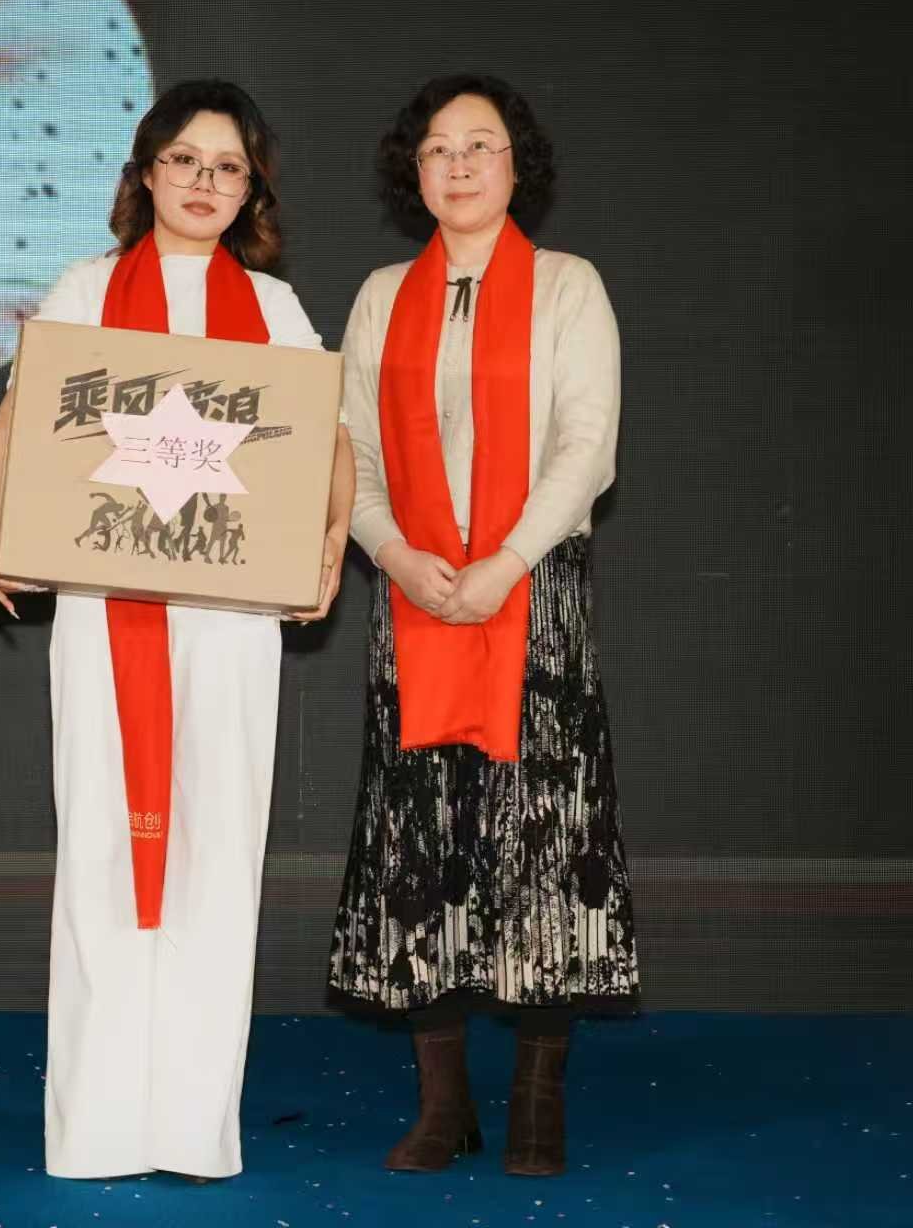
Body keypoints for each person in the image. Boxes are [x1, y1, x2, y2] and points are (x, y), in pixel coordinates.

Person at [0, 79, 355, 1181]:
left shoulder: (272, 306)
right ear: (146, 171)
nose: (203, 182)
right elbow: (22, 417)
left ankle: (193, 1125)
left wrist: (329, 541)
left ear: (251, 192)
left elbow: (326, 436)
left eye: (228, 167)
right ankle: (97, 1124)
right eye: (184, 159)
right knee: (103, 841)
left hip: (229, 617)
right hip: (106, 610)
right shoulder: (87, 287)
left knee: (217, 848)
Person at [326, 74, 639, 1177]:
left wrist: (504, 562)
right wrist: (396, 555)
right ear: (412, 172)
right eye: (436, 149)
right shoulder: (380, 297)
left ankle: (538, 1099)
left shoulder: (567, 285)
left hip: (533, 591)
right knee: (426, 836)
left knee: (540, 835)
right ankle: (443, 1101)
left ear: (518, 164)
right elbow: (349, 454)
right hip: (412, 592)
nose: (457, 165)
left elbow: (588, 445)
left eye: (480, 145)